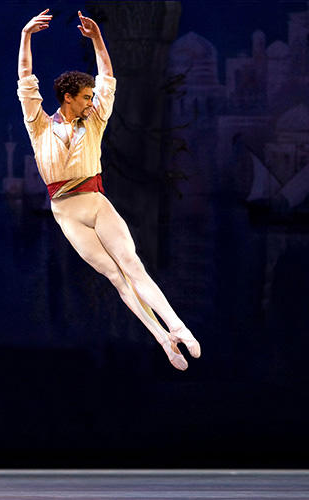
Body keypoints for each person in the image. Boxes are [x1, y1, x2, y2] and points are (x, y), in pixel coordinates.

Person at [17, 9, 201, 370]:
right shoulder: (39, 126)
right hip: (66, 213)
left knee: (132, 265)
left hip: (96, 203)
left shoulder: (95, 120)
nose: (90, 101)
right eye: (84, 97)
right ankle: (165, 341)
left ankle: (180, 327)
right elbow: (26, 79)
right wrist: (26, 35)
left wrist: (98, 39)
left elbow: (107, 78)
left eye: (90, 97)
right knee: (115, 277)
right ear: (68, 96)